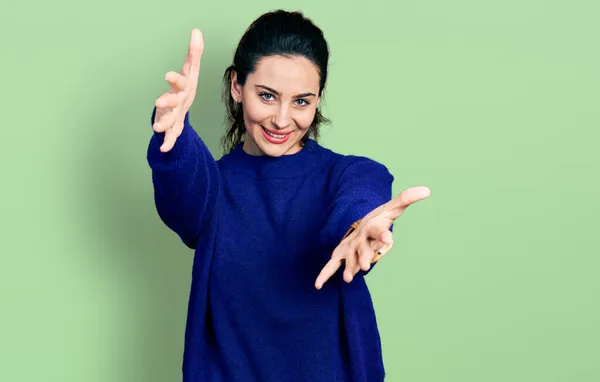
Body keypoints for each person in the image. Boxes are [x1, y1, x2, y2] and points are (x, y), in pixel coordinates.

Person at [147, 9, 430, 382]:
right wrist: (175, 136)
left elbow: (360, 196)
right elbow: (184, 197)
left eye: (301, 101)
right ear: (236, 86)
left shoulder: (346, 174)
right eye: (267, 96)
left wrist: (360, 227)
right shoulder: (212, 187)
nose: (282, 120)